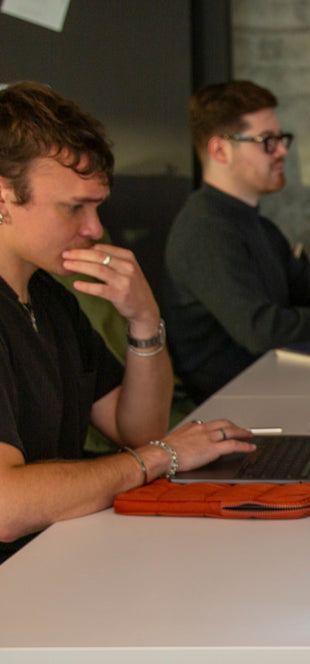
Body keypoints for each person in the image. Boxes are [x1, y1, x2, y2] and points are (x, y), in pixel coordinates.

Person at [0, 81, 254, 563]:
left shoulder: (49, 298)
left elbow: (136, 426)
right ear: (4, 197)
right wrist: (160, 458)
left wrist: (144, 318)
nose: (94, 229)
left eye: (97, 207)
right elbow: (8, 507)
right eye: (74, 207)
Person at [163, 80, 310, 402]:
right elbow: (262, 330)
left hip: (269, 383)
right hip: (233, 402)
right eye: (267, 141)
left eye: (281, 139)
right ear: (220, 150)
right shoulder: (206, 230)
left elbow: (309, 288)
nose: (283, 151)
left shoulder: (254, 223)